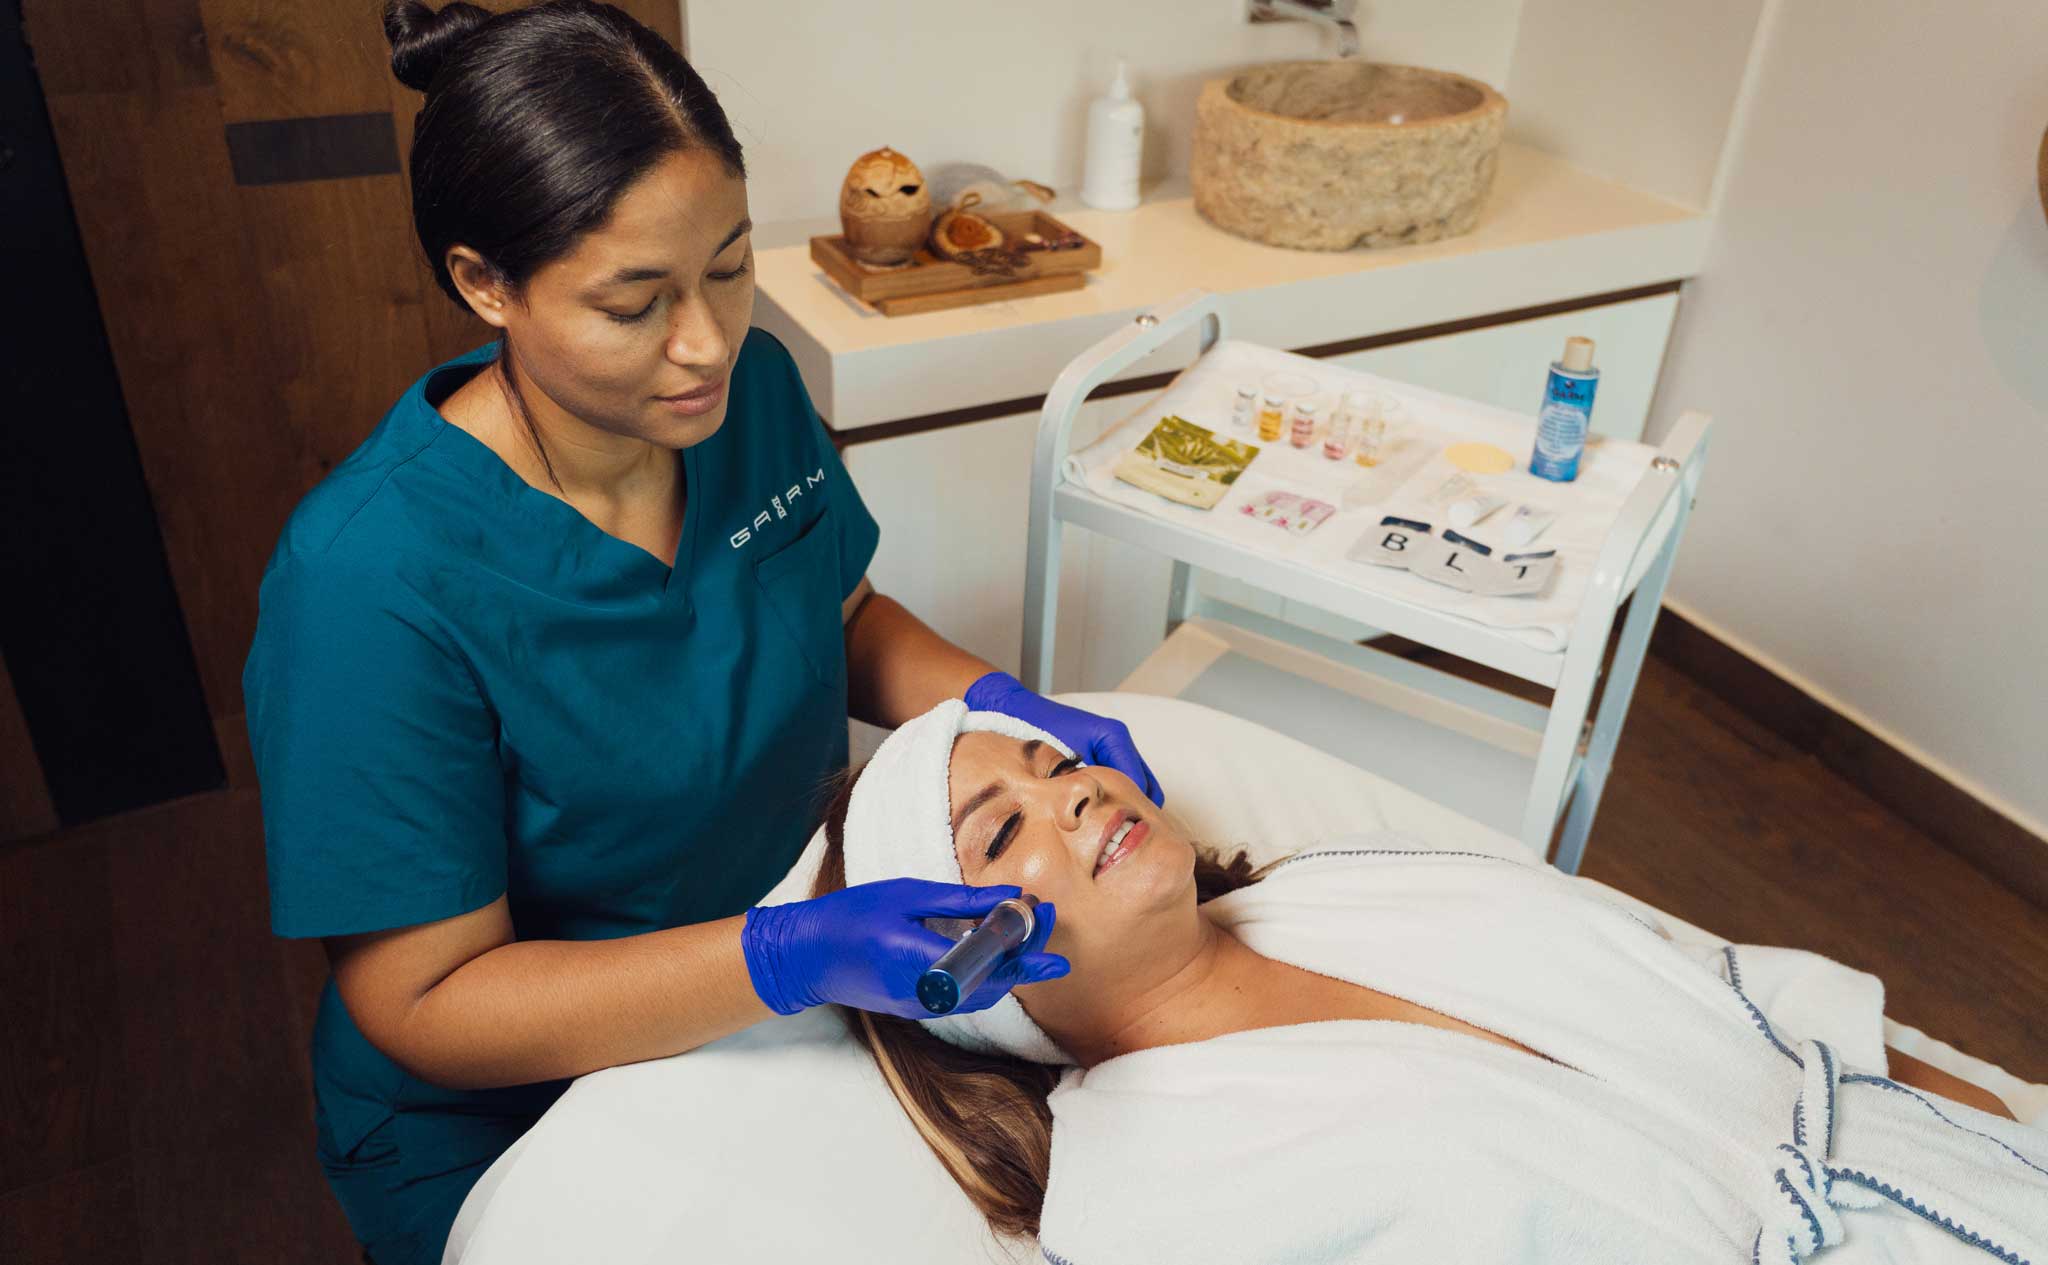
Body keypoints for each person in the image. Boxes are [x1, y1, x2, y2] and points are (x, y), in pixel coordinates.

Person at [241, 5, 1155, 1261]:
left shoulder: (750, 396)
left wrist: (1004, 703)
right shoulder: (367, 582)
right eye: (634, 303)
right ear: (483, 283)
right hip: (508, 1109)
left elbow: (836, 616)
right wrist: (784, 952)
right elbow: (424, 999)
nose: (706, 341)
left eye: (728, 265)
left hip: (767, 1015)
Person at [813, 699, 2048, 1263]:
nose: (1075, 787)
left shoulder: (1351, 882)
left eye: (1053, 758)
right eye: (997, 830)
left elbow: (1689, 973)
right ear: (963, 970)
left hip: (1959, 1168)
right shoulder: (1140, 1197)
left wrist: (1978, 1101)